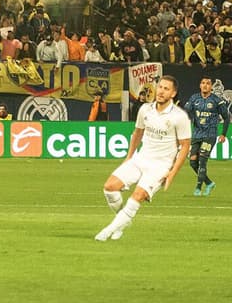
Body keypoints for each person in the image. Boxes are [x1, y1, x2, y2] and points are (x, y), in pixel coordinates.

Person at [96, 75, 191, 241]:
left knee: (137, 196)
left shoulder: (179, 117)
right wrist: (129, 157)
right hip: (140, 159)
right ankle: (122, 222)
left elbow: (185, 146)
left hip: (160, 166)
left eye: (166, 89)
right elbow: (137, 133)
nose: (161, 91)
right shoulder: (145, 109)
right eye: (160, 87)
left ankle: (108, 231)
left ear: (173, 93)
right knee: (109, 188)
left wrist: (172, 173)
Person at [182, 77, 231, 196]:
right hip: (197, 134)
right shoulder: (194, 98)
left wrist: (223, 134)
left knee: (202, 160)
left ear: (211, 87)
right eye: (203, 83)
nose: (205, 85)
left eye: (208, 83)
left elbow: (226, 117)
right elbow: (185, 111)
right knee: (193, 162)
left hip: (210, 134)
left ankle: (198, 188)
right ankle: (209, 183)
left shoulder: (216, 100)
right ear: (200, 85)